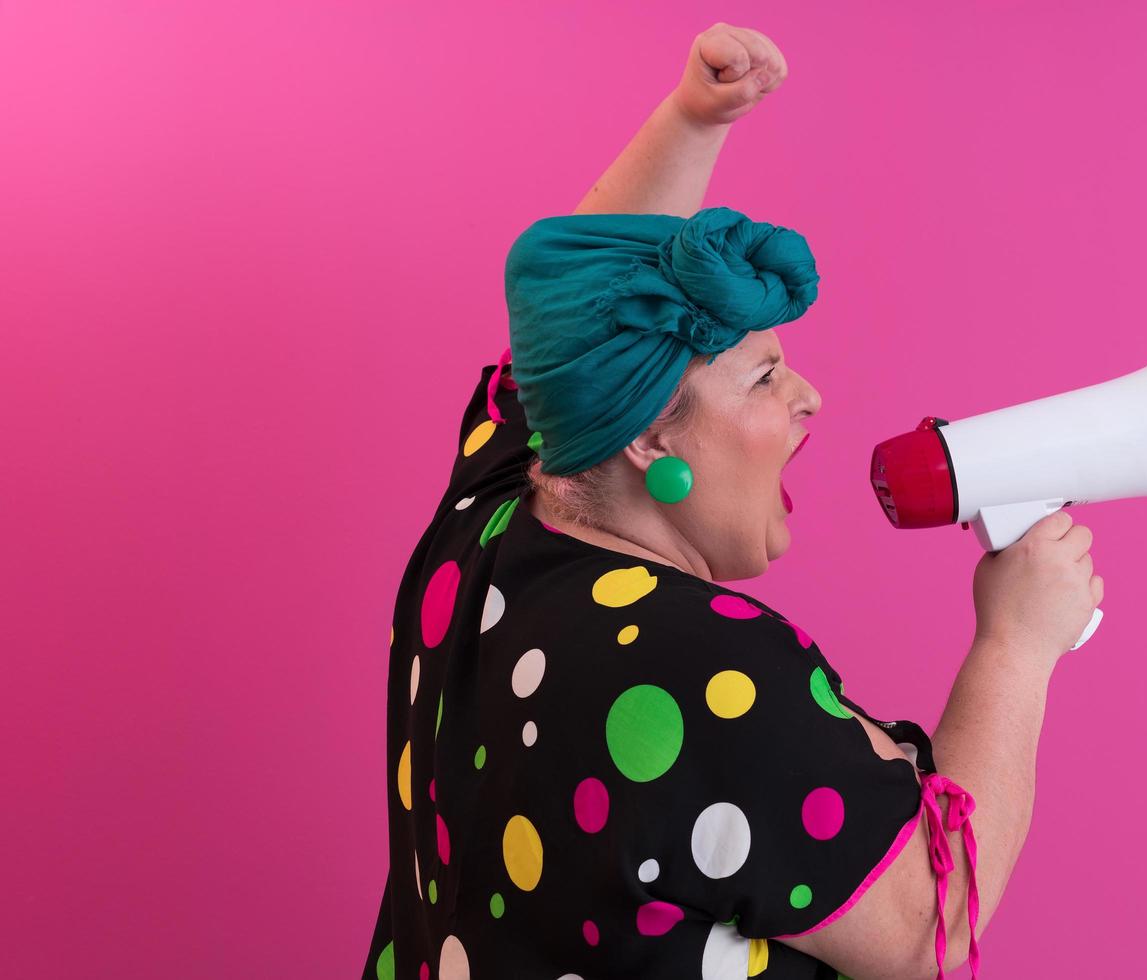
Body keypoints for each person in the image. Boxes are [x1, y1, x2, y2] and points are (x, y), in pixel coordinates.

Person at [361, 23, 1102, 980]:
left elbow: (566, 328)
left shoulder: (487, 520)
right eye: (761, 379)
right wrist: (1017, 645)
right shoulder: (701, 665)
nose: (808, 399)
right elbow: (926, 924)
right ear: (649, 437)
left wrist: (691, 121)